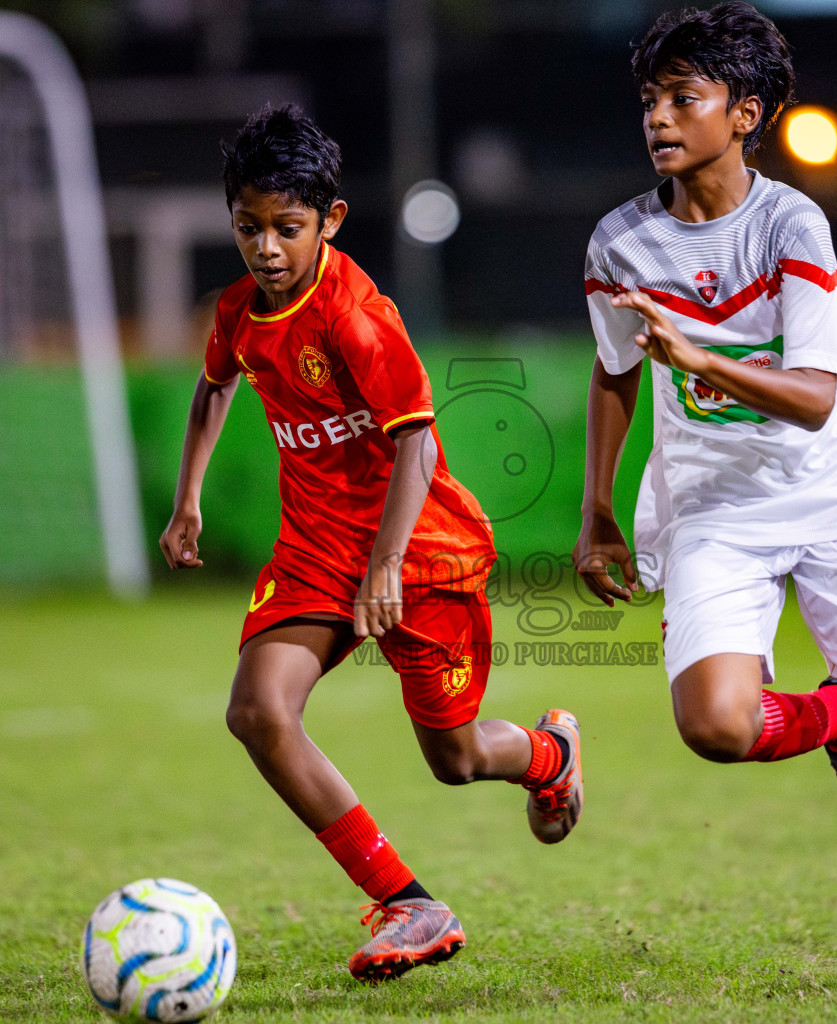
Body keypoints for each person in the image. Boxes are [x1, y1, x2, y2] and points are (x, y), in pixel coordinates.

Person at [573, 3, 837, 987]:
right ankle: (832, 722)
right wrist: (596, 505)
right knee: (716, 724)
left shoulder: (791, 222)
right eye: (651, 98)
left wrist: (699, 355)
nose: (660, 118)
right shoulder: (618, 245)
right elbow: (614, 373)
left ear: (747, 114)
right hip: (712, 501)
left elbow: (816, 398)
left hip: (827, 485)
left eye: (686, 97)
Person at [160, 105, 583, 983]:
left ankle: (550, 755)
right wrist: (188, 497)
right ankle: (409, 903)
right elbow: (212, 389)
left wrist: (387, 563)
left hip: (420, 550)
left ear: (331, 221)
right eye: (249, 227)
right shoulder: (239, 311)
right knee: (258, 713)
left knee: (455, 758)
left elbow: (417, 443)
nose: (266, 248)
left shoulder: (357, 317)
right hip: (316, 550)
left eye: (288, 228)